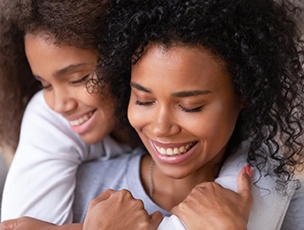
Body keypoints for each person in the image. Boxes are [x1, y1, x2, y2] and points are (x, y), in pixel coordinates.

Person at [0, 0, 253, 228]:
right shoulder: (49, 121)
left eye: (79, 79)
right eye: (44, 85)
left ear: (120, 58)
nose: (60, 103)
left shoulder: (259, 170)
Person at [70, 0, 304, 229]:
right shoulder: (80, 190)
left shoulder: (285, 199)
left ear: (244, 94)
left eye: (190, 106)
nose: (161, 127)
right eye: (144, 101)